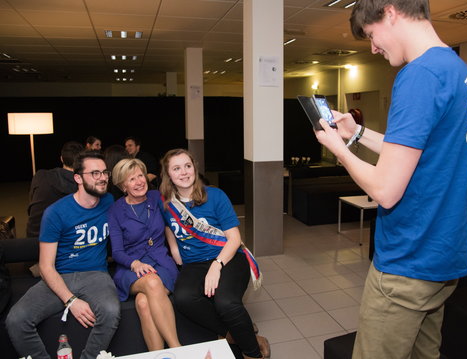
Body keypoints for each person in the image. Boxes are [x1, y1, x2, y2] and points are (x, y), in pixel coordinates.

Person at [314, 0, 467, 358]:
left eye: (371, 35)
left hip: (408, 259)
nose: (373, 47)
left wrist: (339, 150)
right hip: (442, 256)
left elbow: (386, 190)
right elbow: (417, 150)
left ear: (390, 13)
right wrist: (356, 134)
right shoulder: (454, 68)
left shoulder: (418, 75)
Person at [6, 151, 121, 359]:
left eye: (105, 172)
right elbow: (45, 266)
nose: (103, 177)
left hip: (96, 274)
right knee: (16, 320)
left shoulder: (109, 201)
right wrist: (71, 301)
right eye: (95, 173)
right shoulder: (56, 212)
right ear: (78, 178)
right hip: (60, 275)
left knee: (111, 311)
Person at [159, 148, 270, 359]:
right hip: (193, 264)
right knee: (183, 299)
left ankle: (252, 353)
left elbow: (234, 239)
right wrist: (175, 252)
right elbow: (169, 229)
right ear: (169, 175)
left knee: (225, 302)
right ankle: (238, 334)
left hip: (227, 257)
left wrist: (216, 265)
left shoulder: (216, 196)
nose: (183, 172)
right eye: (176, 168)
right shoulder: (166, 204)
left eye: (187, 166)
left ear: (194, 168)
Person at [108, 158, 180, 351]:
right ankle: (178, 349)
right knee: (151, 282)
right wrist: (135, 264)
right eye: (131, 179)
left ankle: (160, 356)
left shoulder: (157, 197)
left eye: (141, 175)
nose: (139, 182)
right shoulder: (115, 210)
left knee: (143, 302)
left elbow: (183, 210)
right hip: (131, 268)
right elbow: (117, 252)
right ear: (123, 185)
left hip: (161, 263)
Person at [26, 140, 84, 238]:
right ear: (82, 162)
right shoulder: (82, 184)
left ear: (61, 159)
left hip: (33, 236)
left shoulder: (40, 175)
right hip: (65, 242)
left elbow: (32, 205)